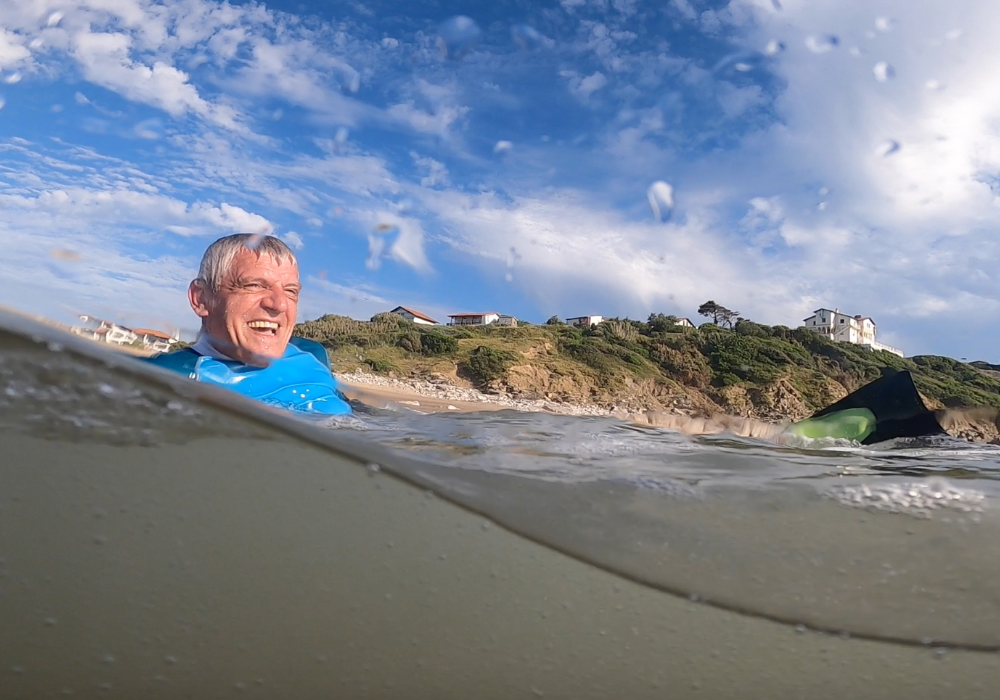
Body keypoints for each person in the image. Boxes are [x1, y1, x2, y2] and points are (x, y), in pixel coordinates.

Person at [144, 234, 351, 415]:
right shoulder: (168, 377)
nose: (279, 304)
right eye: (254, 285)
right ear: (201, 298)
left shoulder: (313, 353)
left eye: (290, 291)